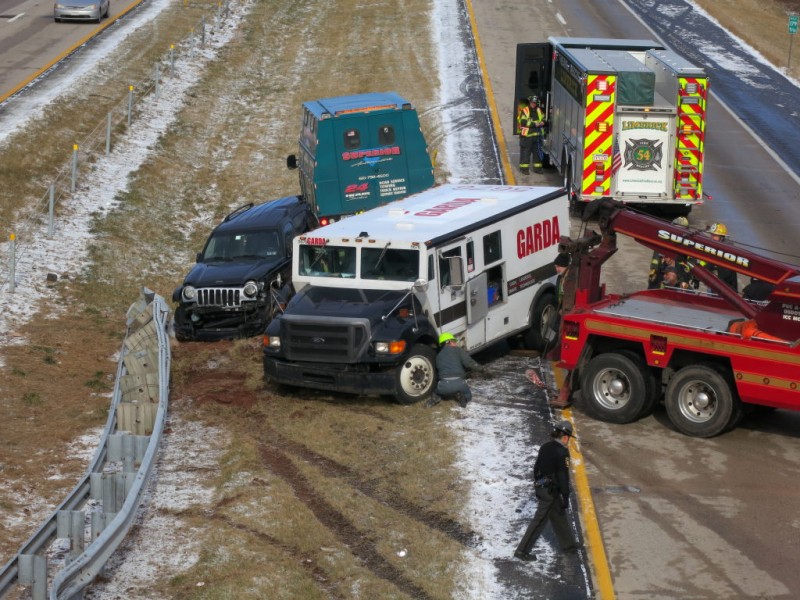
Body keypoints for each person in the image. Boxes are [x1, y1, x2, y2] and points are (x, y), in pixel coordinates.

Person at [514, 420, 580, 561]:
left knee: (558, 514)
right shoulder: (562, 452)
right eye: (568, 438)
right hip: (550, 492)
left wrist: (538, 482)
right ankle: (522, 551)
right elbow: (563, 476)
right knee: (539, 521)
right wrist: (566, 495)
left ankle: (569, 546)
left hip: (541, 486)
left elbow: (536, 467)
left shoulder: (545, 446)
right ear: (565, 437)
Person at [426, 332, 481, 408]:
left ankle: (436, 398)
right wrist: (481, 369)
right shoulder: (458, 350)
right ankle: (463, 398)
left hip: (444, 385)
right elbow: (469, 363)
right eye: (454, 341)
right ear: (448, 342)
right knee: (468, 394)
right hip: (459, 383)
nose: (455, 343)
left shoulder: (438, 356)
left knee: (436, 391)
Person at [704, 222, 738, 292]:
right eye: (711, 235)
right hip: (713, 283)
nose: (712, 237)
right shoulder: (714, 247)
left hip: (724, 287)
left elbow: (726, 273)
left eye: (714, 235)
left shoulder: (727, 249)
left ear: (721, 237)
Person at [517, 95, 546, 174]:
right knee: (526, 153)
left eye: (535, 103)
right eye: (532, 103)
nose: (534, 104)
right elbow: (523, 122)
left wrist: (543, 122)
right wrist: (534, 124)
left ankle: (537, 168)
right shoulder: (525, 111)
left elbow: (543, 118)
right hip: (527, 137)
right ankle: (524, 169)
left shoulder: (538, 110)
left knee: (537, 153)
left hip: (537, 136)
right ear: (529, 102)